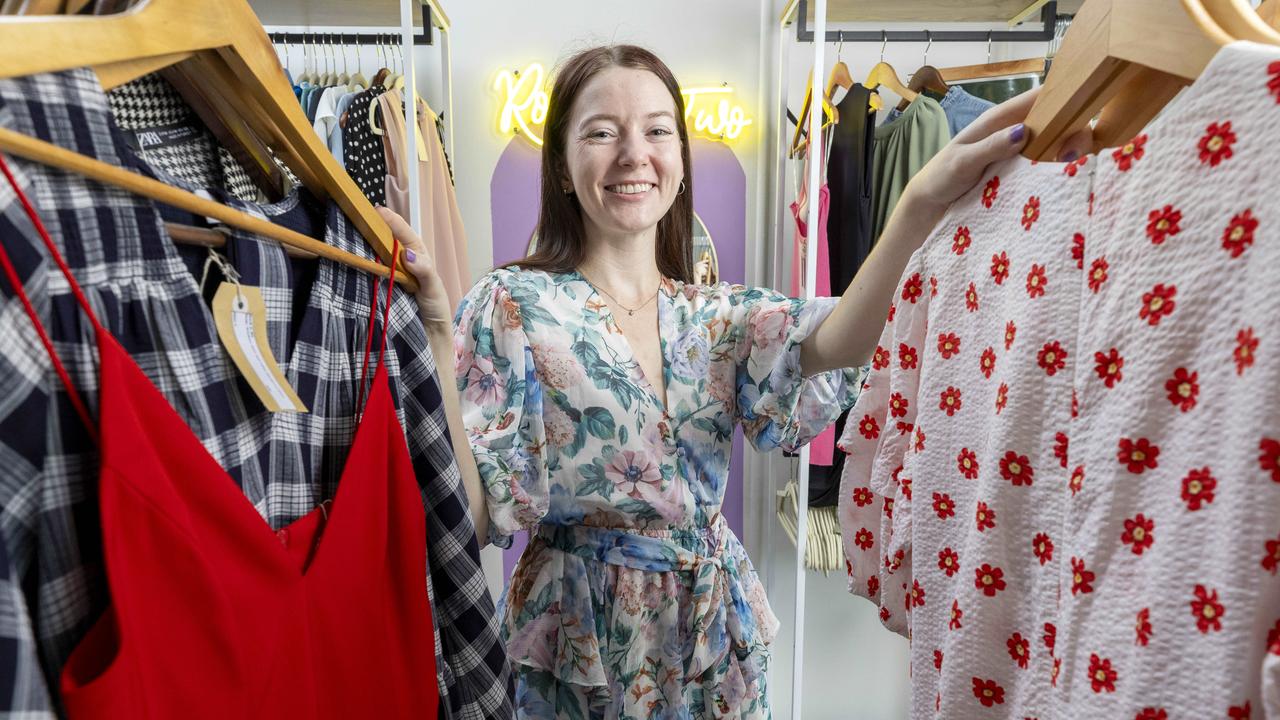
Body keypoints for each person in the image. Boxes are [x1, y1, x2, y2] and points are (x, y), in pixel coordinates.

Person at [382, 44, 1090, 720]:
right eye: (601, 132)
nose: (633, 153)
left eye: (657, 130)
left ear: (680, 162)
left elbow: (845, 334)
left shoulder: (717, 315)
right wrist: (441, 334)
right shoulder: (513, 305)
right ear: (564, 166)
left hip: (711, 636)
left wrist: (921, 200)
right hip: (577, 641)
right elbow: (472, 518)